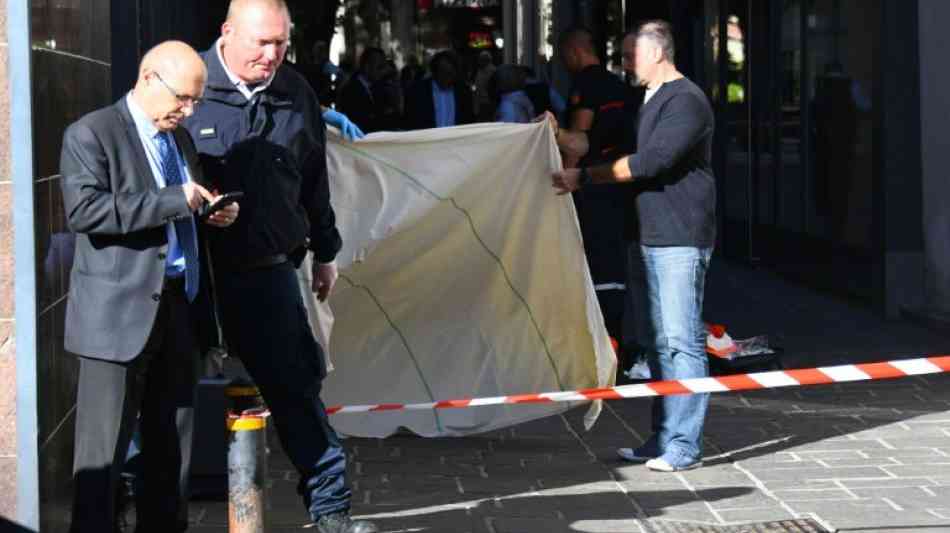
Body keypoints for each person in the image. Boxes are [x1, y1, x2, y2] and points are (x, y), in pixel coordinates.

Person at [182, 1, 377, 531]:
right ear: (226, 33)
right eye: (260, 43)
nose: (271, 56)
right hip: (193, 275)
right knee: (168, 400)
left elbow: (315, 180)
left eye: (281, 44)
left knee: (297, 392)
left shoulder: (295, 93)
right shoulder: (186, 86)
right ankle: (144, 508)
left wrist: (326, 251)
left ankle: (332, 511)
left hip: (269, 271)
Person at [60, 40, 239, 533]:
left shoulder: (178, 139)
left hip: (179, 306)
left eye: (196, 102)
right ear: (146, 78)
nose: (188, 110)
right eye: (182, 98)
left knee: (172, 449)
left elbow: (182, 205)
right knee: (102, 458)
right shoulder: (92, 133)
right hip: (114, 319)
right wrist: (172, 200)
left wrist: (210, 211)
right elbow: (85, 211)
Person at [551, 20, 716, 473]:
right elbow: (599, 145)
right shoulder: (647, 101)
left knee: (682, 342)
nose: (623, 64)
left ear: (657, 53)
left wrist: (584, 177)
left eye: (630, 55)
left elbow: (649, 162)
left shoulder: (686, 101)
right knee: (660, 344)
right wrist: (556, 135)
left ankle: (684, 445)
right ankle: (662, 438)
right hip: (649, 235)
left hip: (680, 237)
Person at [542, 27, 637, 357]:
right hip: (619, 187)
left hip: (592, 189)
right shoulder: (619, 87)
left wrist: (565, 183)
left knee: (595, 265)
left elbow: (579, 143)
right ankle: (614, 343)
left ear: (573, 52)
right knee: (612, 267)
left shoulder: (585, 85)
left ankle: (602, 349)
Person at [403, 50, 474, 130]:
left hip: (455, 140)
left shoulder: (463, 92)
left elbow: (469, 122)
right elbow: (409, 121)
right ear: (435, 72)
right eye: (443, 72)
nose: (447, 78)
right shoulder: (417, 91)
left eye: (450, 73)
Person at [337, 47, 388, 133]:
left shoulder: (377, 87)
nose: (383, 71)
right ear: (367, 66)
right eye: (379, 67)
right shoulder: (351, 90)